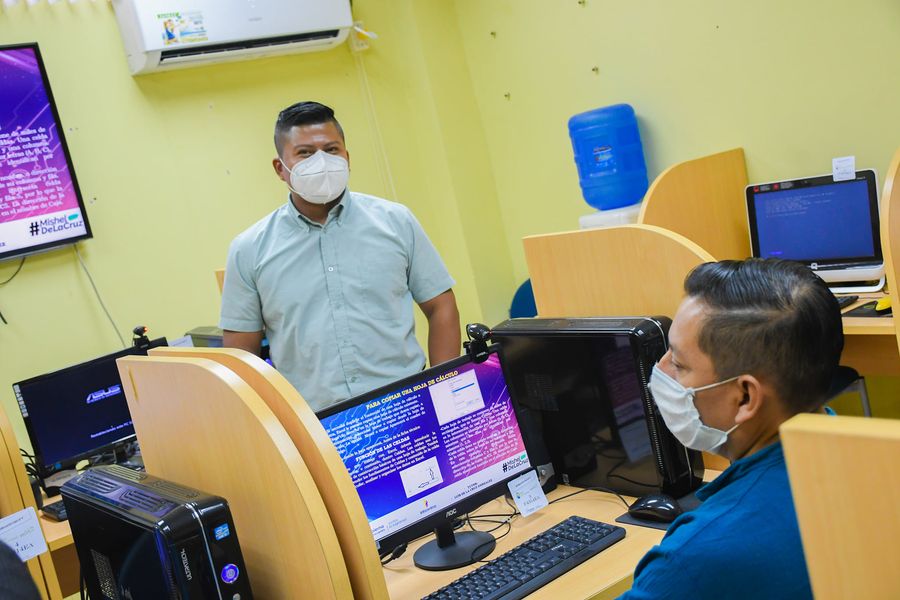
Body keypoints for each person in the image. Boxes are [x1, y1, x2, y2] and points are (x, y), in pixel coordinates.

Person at [620, 258, 843, 600]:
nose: (661, 370)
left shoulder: (693, 559)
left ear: (744, 397)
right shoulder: (866, 465)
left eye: (678, 363)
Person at [220, 101, 461, 412]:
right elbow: (242, 356)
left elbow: (441, 306)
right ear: (280, 168)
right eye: (305, 153)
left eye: (331, 149)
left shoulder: (396, 222)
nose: (321, 161)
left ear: (347, 157)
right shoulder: (249, 249)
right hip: (315, 420)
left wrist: (443, 390)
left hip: (406, 402)